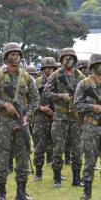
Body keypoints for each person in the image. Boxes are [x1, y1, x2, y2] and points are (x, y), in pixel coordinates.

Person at [0, 42, 40, 200]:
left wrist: (27, 116)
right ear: (6, 57)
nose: (15, 57)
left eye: (17, 54)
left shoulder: (27, 77)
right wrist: (5, 104)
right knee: (1, 158)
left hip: (22, 122)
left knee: (23, 158)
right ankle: (1, 193)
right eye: (12, 54)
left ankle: (21, 192)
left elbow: (35, 99)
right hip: (4, 122)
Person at [43, 48, 85, 187]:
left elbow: (87, 93)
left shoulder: (80, 76)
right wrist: (60, 96)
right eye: (66, 58)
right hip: (60, 117)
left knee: (77, 150)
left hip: (75, 118)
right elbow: (45, 94)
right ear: (61, 60)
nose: (69, 60)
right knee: (58, 150)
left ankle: (77, 179)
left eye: (71, 58)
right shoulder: (55, 75)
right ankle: (57, 179)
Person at [74, 53, 101, 200]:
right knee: (90, 160)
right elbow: (77, 105)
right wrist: (93, 107)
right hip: (91, 127)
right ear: (92, 66)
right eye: (98, 64)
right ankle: (87, 191)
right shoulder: (84, 84)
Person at [32, 57, 57, 181]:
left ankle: (57, 174)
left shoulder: (59, 82)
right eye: (47, 68)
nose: (49, 70)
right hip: (40, 118)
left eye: (52, 68)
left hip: (56, 118)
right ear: (43, 69)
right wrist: (41, 108)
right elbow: (28, 101)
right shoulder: (36, 82)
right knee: (39, 146)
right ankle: (38, 172)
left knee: (57, 147)